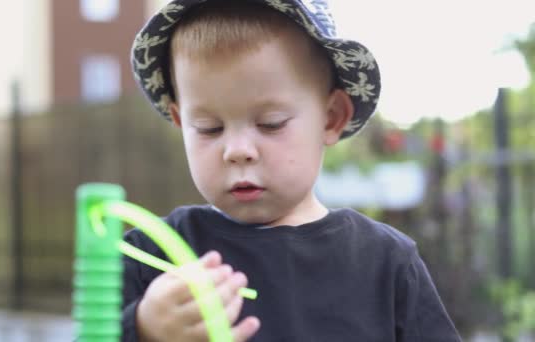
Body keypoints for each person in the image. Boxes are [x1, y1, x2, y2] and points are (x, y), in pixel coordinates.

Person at [123, 0, 462, 341]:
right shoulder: (152, 255)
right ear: (181, 123)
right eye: (209, 127)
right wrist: (143, 329)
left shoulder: (384, 263)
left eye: (271, 123)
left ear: (331, 118)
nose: (238, 150)